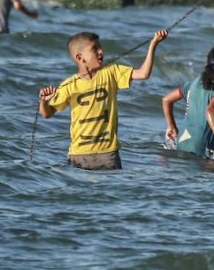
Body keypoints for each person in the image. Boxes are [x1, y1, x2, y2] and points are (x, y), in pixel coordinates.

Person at [38, 29, 168, 170]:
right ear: (80, 58)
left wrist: (153, 44)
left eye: (100, 47)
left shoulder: (112, 72)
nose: (101, 52)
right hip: (78, 155)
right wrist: (44, 101)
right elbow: (46, 114)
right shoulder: (69, 85)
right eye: (95, 49)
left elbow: (143, 74)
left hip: (108, 154)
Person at [163, 45, 214, 159]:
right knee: (212, 173)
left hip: (182, 141)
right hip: (202, 145)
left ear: (206, 64)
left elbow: (166, 100)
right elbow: (210, 110)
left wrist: (171, 126)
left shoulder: (192, 84)